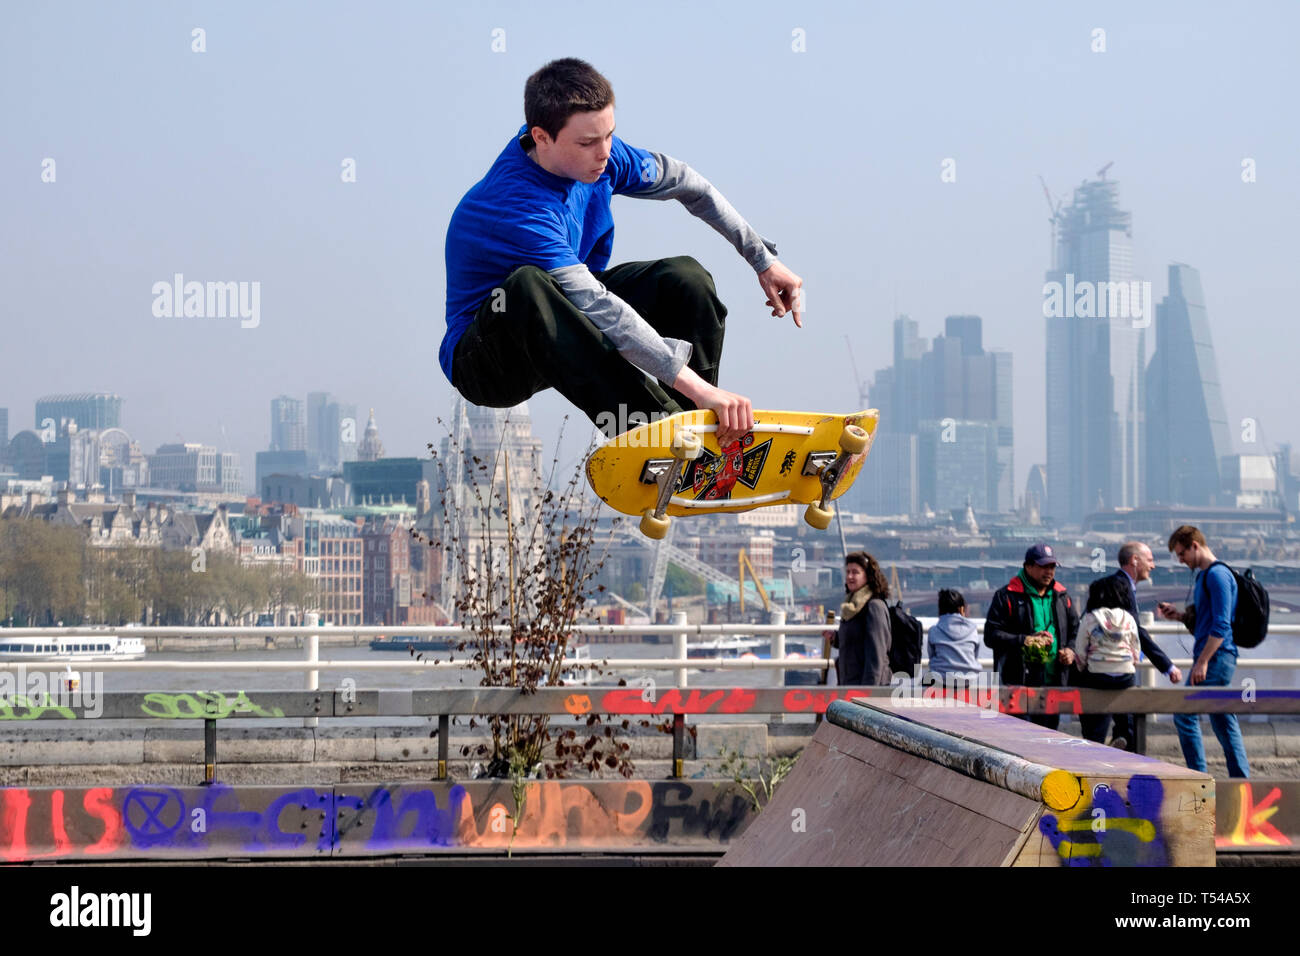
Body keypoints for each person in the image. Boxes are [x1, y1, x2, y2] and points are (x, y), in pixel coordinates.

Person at [441, 58, 805, 448]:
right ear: (541, 137)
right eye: (587, 143)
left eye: (609, 136)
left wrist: (762, 260)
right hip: (488, 361)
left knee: (683, 279)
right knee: (528, 286)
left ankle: (699, 434)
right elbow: (599, 307)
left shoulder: (602, 155)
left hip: (567, 329)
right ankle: (659, 438)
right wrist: (699, 387)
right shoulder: (519, 207)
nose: (604, 154)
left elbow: (689, 185)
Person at [1157, 525, 1250, 778]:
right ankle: (1241, 781)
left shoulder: (1217, 576)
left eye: (1181, 553)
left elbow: (1221, 624)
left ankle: (1198, 779)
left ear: (1194, 546)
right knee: (1222, 720)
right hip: (1214, 656)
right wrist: (1178, 615)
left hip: (1217, 658)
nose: (1180, 560)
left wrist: (1202, 662)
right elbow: (1205, 621)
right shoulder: (1204, 577)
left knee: (1184, 714)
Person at [983, 543, 1079, 730]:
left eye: (1052, 567)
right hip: (1019, 683)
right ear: (1028, 566)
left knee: (1050, 737)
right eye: (1043, 566)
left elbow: (1076, 629)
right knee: (1021, 738)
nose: (1049, 571)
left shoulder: (1061, 596)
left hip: (1054, 682)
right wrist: (1024, 640)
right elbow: (990, 635)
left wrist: (1071, 650)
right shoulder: (1007, 596)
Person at [1073, 576, 1141, 748]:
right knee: (1125, 708)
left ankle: (1095, 739)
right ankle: (1122, 735)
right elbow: (1136, 650)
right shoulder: (1128, 618)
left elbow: (1080, 652)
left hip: (1097, 676)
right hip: (1125, 676)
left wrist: (1082, 669)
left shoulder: (1090, 618)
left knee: (1093, 717)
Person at [833, 552, 893, 685]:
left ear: (868, 575)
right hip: (849, 683)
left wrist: (867, 693)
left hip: (865, 687)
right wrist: (835, 638)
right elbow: (856, 640)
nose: (850, 576)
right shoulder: (851, 606)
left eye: (855, 572)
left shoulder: (873, 607)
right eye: (848, 571)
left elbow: (876, 655)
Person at [926, 588, 982, 686]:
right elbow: (974, 655)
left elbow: (932, 657)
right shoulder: (973, 630)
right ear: (961, 609)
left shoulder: (934, 631)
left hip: (941, 679)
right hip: (969, 679)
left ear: (940, 610)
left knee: (926, 680)